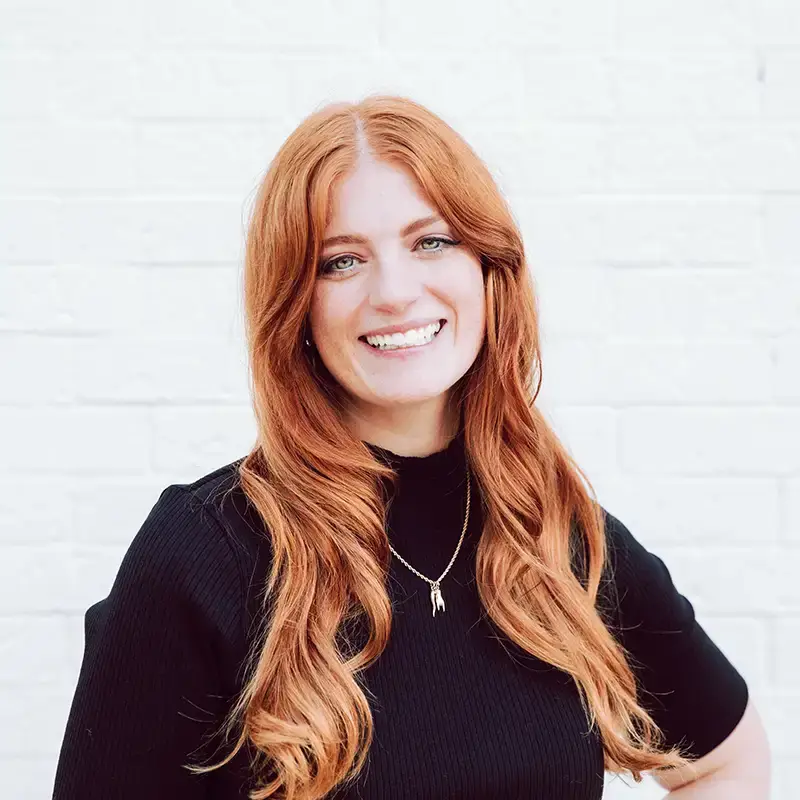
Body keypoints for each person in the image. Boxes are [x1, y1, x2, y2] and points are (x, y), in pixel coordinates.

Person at [51, 95, 770, 800]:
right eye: (341, 261)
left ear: (488, 270)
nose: (394, 292)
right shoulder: (204, 550)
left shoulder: (556, 534)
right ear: (296, 305)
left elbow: (727, 766)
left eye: (432, 242)